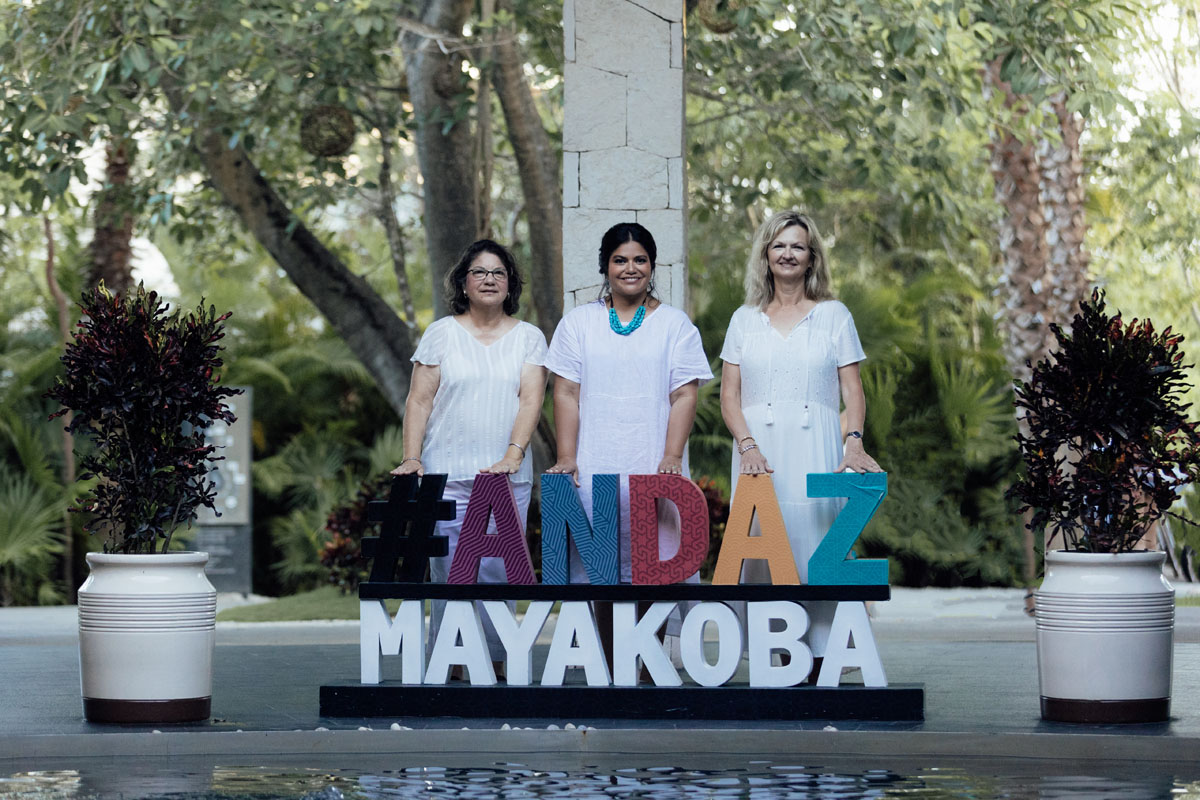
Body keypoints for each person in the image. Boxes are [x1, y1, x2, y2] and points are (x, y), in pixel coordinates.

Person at [719, 210, 881, 681]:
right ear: (766, 255)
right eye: (779, 245)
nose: (788, 253)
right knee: (764, 550)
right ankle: (777, 657)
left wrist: (853, 443)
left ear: (812, 259)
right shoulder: (744, 319)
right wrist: (747, 446)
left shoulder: (834, 315)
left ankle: (820, 660)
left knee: (816, 545)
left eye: (798, 246)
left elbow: (852, 389)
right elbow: (729, 395)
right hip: (758, 451)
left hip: (816, 446)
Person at [545, 222, 713, 665]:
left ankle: (647, 668)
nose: (630, 268)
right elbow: (565, 392)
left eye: (640, 259)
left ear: (652, 266)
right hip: (594, 464)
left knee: (653, 569)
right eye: (620, 259)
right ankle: (610, 666)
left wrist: (672, 457)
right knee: (600, 573)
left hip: (653, 468)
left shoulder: (674, 324)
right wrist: (566, 456)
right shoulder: (579, 323)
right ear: (605, 265)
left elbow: (684, 393)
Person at [392, 239, 548, 679]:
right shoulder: (441, 334)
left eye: (498, 273)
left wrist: (513, 454)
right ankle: (453, 663)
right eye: (479, 272)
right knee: (449, 575)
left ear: (510, 283)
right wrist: (412, 457)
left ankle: (498, 661)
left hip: (504, 478)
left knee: (498, 573)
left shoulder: (528, 338)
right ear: (463, 281)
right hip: (446, 476)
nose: (489, 279)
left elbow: (531, 401)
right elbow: (418, 402)